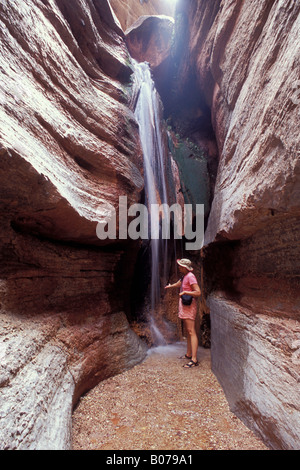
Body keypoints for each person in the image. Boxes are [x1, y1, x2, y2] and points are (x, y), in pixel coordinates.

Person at [165, 258, 201, 368]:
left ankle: (194, 359)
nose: (179, 267)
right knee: (188, 331)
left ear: (185, 268)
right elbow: (179, 284)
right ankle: (189, 354)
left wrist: (185, 292)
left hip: (189, 306)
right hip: (185, 305)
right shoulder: (184, 276)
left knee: (191, 331)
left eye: (180, 266)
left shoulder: (190, 276)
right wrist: (171, 286)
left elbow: (198, 292)